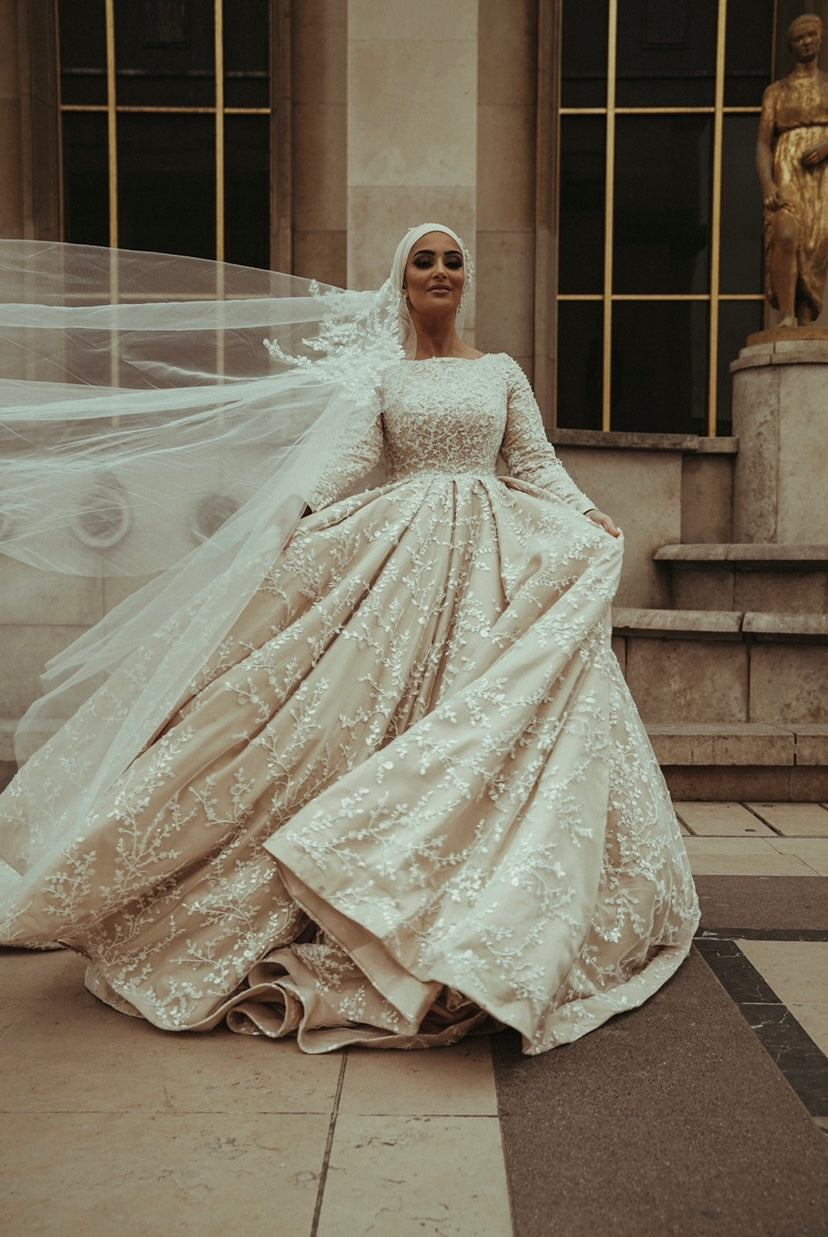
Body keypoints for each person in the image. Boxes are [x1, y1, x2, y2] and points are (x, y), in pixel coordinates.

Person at [0, 224, 699, 1054]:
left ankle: (460, 902)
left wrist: (585, 514)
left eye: (451, 261)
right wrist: (292, 515)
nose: (440, 272)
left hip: (490, 559)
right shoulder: (383, 378)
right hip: (397, 556)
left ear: (466, 279)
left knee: (485, 719)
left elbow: (534, 465)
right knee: (334, 723)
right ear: (401, 281)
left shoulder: (502, 372)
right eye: (423, 261)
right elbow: (352, 462)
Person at [756, 13, 828, 326]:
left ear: (820, 39)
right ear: (791, 46)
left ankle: (805, 320)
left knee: (815, 247)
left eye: (811, 35)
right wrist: (768, 185)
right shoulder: (777, 91)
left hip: (821, 177)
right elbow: (762, 144)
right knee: (786, 233)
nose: (806, 42)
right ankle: (785, 315)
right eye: (799, 38)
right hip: (787, 167)